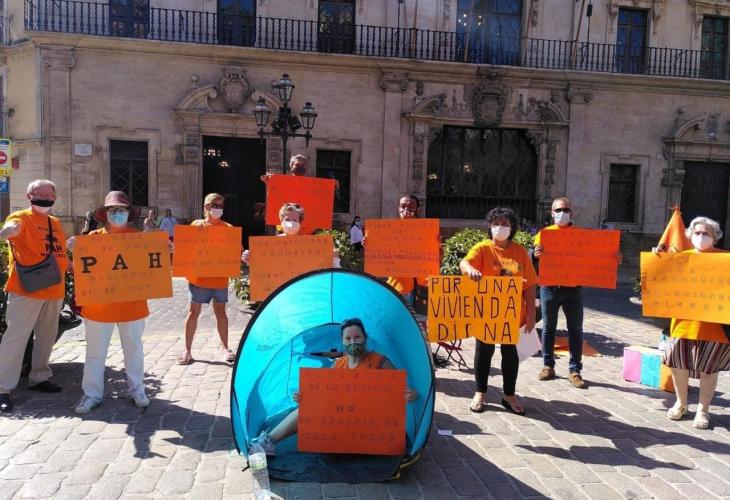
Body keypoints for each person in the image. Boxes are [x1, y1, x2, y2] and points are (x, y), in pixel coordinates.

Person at [253, 318, 418, 455]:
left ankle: (268, 441)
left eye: (357, 337)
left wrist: (411, 395)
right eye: (348, 339)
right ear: (342, 342)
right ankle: (269, 442)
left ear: (365, 338)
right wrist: (303, 398)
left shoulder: (380, 361)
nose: (353, 341)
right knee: (306, 409)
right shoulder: (338, 365)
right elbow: (325, 397)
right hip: (342, 421)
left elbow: (403, 391)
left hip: (369, 424)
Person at [68, 191, 150, 414]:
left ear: (129, 213)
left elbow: (154, 266)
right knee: (95, 353)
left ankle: (138, 390)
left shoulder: (140, 239)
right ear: (105, 214)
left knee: (134, 350)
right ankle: (91, 394)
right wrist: (74, 250)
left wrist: (167, 250)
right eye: (113, 210)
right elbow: (80, 271)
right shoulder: (91, 239)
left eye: (121, 210)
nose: (117, 214)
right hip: (98, 308)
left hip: (132, 306)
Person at [533, 197, 622, 388]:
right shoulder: (544, 234)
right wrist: (535, 254)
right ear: (552, 213)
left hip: (573, 290)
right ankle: (548, 365)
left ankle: (575, 370)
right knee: (548, 328)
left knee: (575, 330)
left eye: (565, 210)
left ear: (571, 213)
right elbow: (535, 260)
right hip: (549, 288)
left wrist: (614, 257)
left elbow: (595, 258)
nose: (562, 213)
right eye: (558, 210)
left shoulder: (580, 235)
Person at [459, 207, 537, 415]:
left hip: (513, 314)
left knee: (511, 354)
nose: (500, 227)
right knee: (484, 351)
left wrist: (531, 314)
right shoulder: (483, 248)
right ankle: (480, 392)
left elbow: (530, 284)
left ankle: (509, 395)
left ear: (512, 228)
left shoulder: (520, 252)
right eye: (496, 224)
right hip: (486, 312)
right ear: (490, 226)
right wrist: (470, 270)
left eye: (505, 224)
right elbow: (464, 263)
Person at [0, 180, 69, 413]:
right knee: (16, 337)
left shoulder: (55, 223)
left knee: (47, 336)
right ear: (29, 196)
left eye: (50, 195)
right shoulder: (20, 218)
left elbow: (59, 252)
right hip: (26, 288)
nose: (46, 198)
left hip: (54, 288)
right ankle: (3, 388)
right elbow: (10, 229)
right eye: (40, 194)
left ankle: (39, 377)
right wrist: (8, 232)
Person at [660, 217, 730, 429]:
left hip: (714, 326)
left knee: (709, 368)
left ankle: (703, 409)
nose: (701, 237)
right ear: (690, 236)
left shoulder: (725, 259)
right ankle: (681, 403)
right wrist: (658, 259)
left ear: (715, 238)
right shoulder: (680, 259)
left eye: (706, 233)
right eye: (697, 233)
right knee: (678, 364)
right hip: (682, 323)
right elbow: (660, 280)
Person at [178, 193, 236, 365]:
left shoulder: (229, 228)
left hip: (219, 279)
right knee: (193, 313)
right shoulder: (196, 225)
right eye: (214, 205)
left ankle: (226, 348)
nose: (218, 208)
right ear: (206, 207)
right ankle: (187, 350)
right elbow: (186, 248)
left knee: (221, 313)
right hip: (199, 279)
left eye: (221, 206)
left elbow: (234, 252)